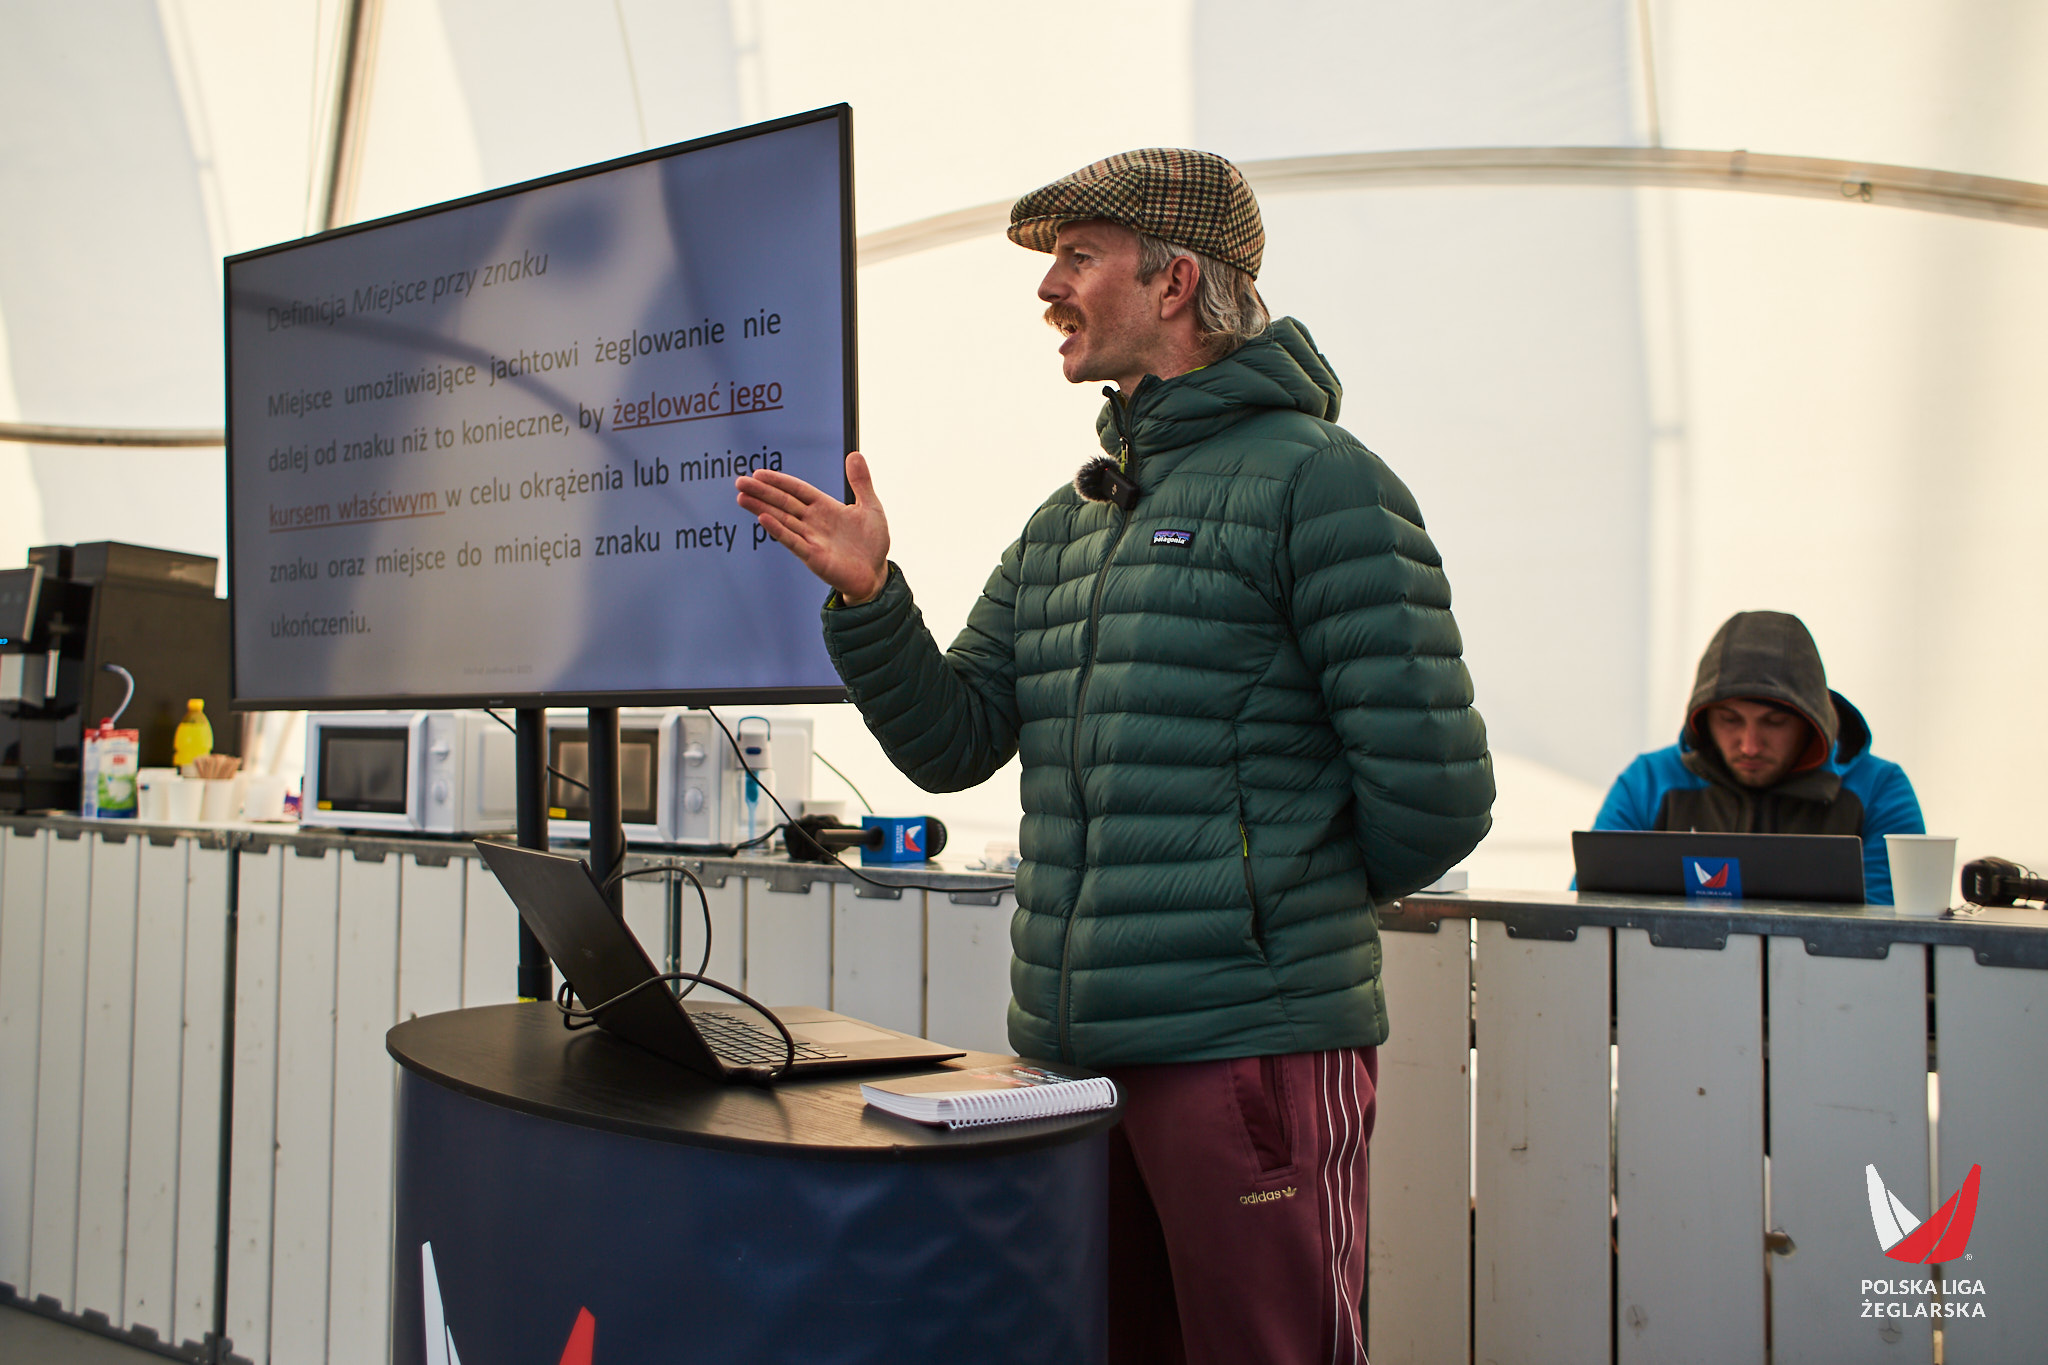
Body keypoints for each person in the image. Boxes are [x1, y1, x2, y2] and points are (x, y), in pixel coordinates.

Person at [736, 147, 1493, 1364]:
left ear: (1174, 281)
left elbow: (1436, 795)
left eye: (1078, 258)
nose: (1049, 289)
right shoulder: (1067, 522)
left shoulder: (1323, 484)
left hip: (1246, 1053)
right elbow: (952, 741)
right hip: (1074, 1060)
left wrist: (1264, 914)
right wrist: (871, 596)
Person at [1594, 610, 1924, 903]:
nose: (1750, 745)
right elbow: (1590, 920)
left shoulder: (1880, 790)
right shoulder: (1646, 783)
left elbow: (1893, 934)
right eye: (1729, 720)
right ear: (1702, 720)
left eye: (1774, 722)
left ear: (1813, 724)